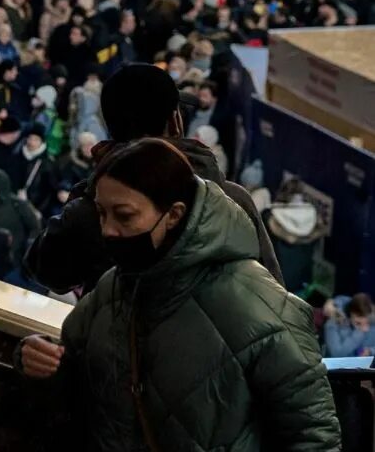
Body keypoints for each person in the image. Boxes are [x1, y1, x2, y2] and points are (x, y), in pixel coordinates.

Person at [17, 139, 339, 452]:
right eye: (101, 214)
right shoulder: (112, 293)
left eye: (124, 217)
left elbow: (313, 433)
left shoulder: (258, 305)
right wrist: (37, 365)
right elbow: (76, 393)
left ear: (173, 214)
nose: (107, 232)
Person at [25, 63, 283, 295]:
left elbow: (45, 268)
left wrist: (91, 191)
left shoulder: (93, 211)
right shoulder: (235, 200)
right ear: (175, 122)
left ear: (109, 127)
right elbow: (276, 295)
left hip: (116, 347)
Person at [324, 293, 375, 358]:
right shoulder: (332, 325)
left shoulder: (371, 323)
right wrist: (359, 333)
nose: (365, 328)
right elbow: (336, 354)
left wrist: (370, 351)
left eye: (366, 322)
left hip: (363, 366)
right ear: (351, 314)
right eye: (358, 323)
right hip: (337, 366)